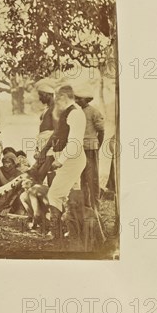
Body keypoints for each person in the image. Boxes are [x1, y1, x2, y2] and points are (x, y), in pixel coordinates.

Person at [46, 85, 87, 240]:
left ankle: (55, 233)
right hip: (70, 159)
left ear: (63, 96)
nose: (55, 101)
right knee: (67, 195)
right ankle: (72, 231)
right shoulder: (70, 111)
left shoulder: (75, 113)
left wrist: (60, 161)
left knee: (54, 194)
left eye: (56, 97)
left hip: (72, 159)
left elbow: (74, 142)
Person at [75, 88, 105, 210]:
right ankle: (85, 205)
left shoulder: (94, 112)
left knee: (93, 178)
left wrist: (97, 146)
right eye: (76, 98)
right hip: (80, 149)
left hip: (91, 148)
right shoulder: (77, 112)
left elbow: (101, 131)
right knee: (83, 178)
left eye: (79, 99)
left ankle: (95, 207)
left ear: (86, 99)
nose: (77, 101)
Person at [32, 82, 57, 185]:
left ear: (49, 95)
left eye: (41, 95)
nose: (40, 98)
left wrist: (44, 150)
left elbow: (56, 132)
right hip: (43, 145)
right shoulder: (47, 108)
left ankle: (53, 198)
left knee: (40, 176)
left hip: (49, 146)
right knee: (39, 174)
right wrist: (39, 149)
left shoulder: (56, 109)